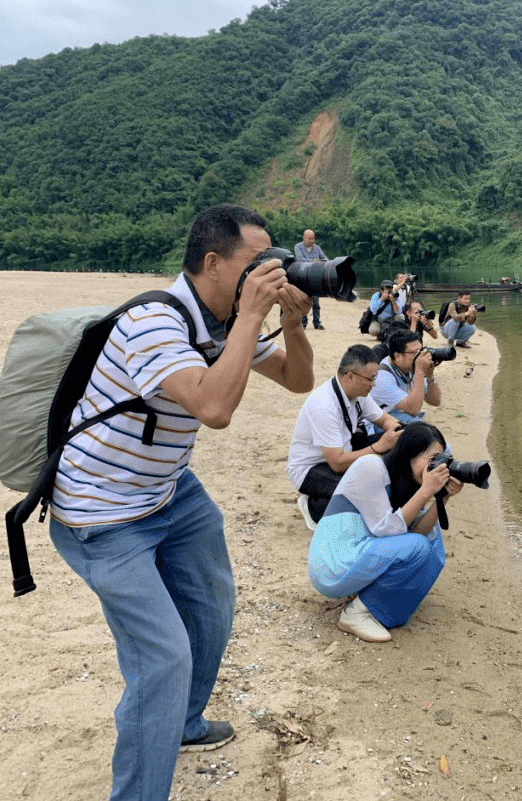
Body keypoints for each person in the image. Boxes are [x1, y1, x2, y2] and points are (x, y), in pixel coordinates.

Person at [47, 203, 314, 801]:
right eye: (258, 262)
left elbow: (298, 382)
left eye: (275, 261)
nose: (271, 273)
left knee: (213, 606)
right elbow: (214, 410)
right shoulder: (154, 322)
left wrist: (291, 324)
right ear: (213, 263)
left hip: (167, 490)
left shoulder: (221, 321)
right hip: (102, 514)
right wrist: (251, 317)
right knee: (163, 658)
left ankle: (186, 724)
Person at [307, 421, 462, 642]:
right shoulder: (371, 466)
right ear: (409, 453)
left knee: (432, 539)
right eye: (432, 460)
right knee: (417, 545)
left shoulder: (406, 483)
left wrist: (443, 496)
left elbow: (418, 532)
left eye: (441, 461)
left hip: (358, 556)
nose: (436, 468)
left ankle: (381, 608)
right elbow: (386, 531)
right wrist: (426, 491)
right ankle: (356, 614)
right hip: (332, 564)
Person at [287, 344, 404, 528]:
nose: (374, 384)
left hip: (343, 452)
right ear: (350, 376)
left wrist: (397, 430)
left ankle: (329, 495)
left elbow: (383, 420)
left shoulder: (359, 393)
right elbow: (337, 463)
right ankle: (312, 506)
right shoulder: (323, 405)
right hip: (312, 468)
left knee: (394, 447)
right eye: (371, 379)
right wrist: (378, 448)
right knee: (359, 498)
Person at [369, 329, 441, 427]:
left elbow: (435, 401)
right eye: (415, 353)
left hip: (397, 416)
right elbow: (414, 409)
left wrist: (429, 375)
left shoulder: (409, 367)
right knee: (415, 425)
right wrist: (420, 372)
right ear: (398, 356)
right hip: (375, 425)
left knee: (416, 425)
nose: (419, 356)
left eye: (421, 351)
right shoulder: (382, 377)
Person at [294, 228, 327, 330]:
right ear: (304, 238)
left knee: (316, 302)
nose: (312, 241)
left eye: (313, 239)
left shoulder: (317, 248)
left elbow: (325, 258)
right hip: (303, 277)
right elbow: (300, 260)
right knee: (304, 300)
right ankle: (303, 323)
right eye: (309, 239)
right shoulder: (298, 247)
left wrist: (321, 261)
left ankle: (317, 323)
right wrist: (315, 261)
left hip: (315, 277)